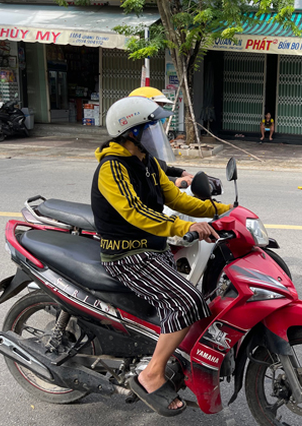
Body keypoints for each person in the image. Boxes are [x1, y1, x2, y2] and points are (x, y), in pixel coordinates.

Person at [92, 96, 231, 416]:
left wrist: (226, 212)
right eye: (151, 128)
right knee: (187, 300)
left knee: (204, 288)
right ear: (132, 134)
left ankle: (167, 353)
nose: (158, 134)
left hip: (152, 250)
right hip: (127, 255)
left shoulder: (148, 163)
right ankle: (151, 374)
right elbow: (137, 213)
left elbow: (181, 201)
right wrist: (185, 228)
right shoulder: (112, 168)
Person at [129, 87, 193, 187]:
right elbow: (145, 178)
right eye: (156, 110)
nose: (160, 118)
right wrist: (175, 181)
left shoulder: (146, 154)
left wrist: (181, 173)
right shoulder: (126, 160)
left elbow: (160, 168)